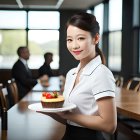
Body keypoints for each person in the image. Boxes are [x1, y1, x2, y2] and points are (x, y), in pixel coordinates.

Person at [38, 12, 117, 140]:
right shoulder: (71, 74)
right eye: (69, 39)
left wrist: (67, 115)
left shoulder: (101, 73)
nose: (74, 45)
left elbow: (109, 125)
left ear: (96, 39)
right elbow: (71, 121)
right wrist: (49, 111)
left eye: (80, 38)